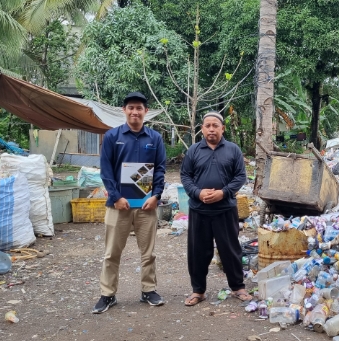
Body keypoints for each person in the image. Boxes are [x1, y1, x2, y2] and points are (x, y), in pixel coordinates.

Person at [93, 92, 167, 314]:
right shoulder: (112, 136)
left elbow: (160, 170)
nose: (135, 112)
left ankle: (148, 290)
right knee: (111, 253)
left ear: (145, 112)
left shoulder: (155, 138)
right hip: (119, 206)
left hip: (146, 206)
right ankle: (108, 294)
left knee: (149, 253)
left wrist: (156, 196)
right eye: (131, 108)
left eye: (139, 108)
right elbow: (106, 171)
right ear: (124, 110)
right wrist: (116, 198)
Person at [180, 111, 251, 306]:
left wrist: (223, 193)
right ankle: (198, 291)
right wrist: (198, 193)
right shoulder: (193, 150)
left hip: (225, 209)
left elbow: (240, 177)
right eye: (207, 125)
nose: (211, 129)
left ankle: (238, 287)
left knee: (230, 250)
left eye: (215, 125)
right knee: (198, 252)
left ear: (222, 128)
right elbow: (185, 176)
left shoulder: (233, 150)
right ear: (202, 129)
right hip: (199, 210)